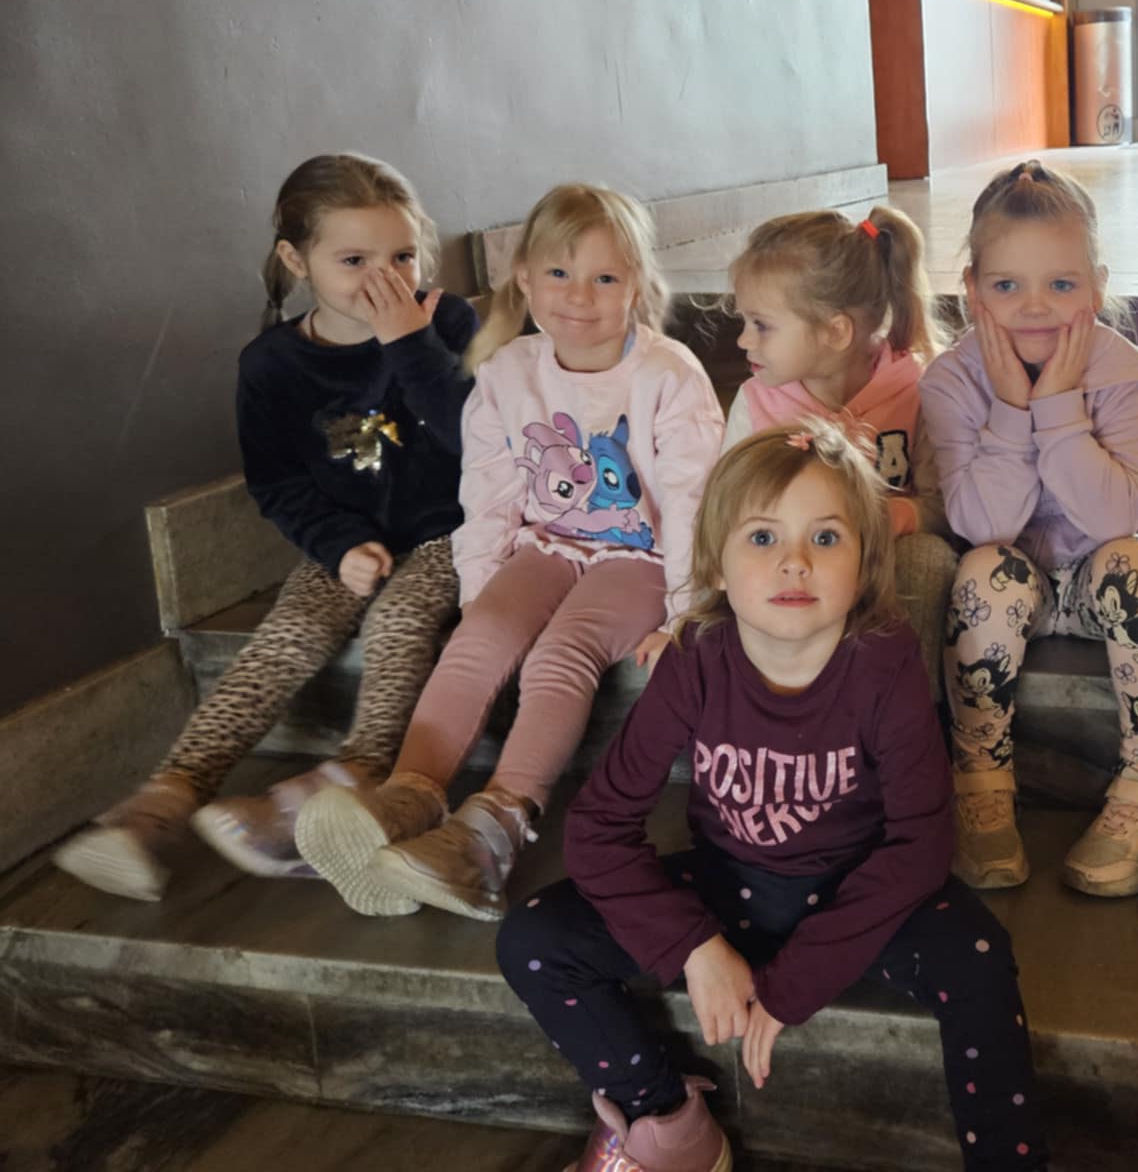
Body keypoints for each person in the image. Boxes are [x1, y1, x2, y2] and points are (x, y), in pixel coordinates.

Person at [498, 424, 1045, 1172]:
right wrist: (693, 944)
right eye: (762, 537)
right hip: (727, 889)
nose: (794, 561)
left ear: (865, 563)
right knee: (533, 939)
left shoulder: (883, 660)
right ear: (718, 565)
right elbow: (598, 827)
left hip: (856, 896)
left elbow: (921, 844)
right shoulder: (695, 657)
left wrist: (797, 982)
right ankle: (664, 1119)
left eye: (825, 537)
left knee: (979, 955)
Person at [295, 183, 725, 919]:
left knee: (561, 653)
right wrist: (480, 591)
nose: (578, 297)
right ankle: (407, 799)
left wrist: (687, 611)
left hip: (643, 559)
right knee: (482, 637)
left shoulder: (669, 375)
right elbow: (489, 490)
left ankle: (491, 833)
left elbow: (694, 501)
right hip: (545, 546)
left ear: (637, 285)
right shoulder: (508, 372)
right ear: (523, 278)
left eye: (604, 277)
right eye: (558, 273)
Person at [53, 155, 474, 901]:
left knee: (401, 622)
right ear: (297, 260)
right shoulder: (271, 365)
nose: (384, 279)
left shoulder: (444, 323)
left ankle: (356, 776)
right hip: (346, 541)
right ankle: (163, 801)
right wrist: (337, 546)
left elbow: (477, 440)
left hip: (452, 532)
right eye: (354, 260)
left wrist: (410, 343)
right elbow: (278, 485)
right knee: (290, 632)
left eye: (402, 257)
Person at [920, 159, 1138, 898]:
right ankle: (979, 778)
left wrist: (1059, 407)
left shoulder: (1122, 371)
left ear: (1096, 287)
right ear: (972, 290)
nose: (1034, 308)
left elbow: (1119, 518)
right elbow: (982, 525)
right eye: (1007, 286)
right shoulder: (952, 381)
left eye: (1061, 286)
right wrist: (1011, 409)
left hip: (1101, 575)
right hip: (1016, 585)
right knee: (982, 570)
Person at [723, 206, 958, 690]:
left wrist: (897, 517)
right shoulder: (756, 403)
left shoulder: (920, 389)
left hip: (884, 564)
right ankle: (790, 708)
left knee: (928, 560)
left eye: (762, 324)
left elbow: (948, 506)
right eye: (744, 321)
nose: (743, 340)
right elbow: (726, 515)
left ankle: (910, 717)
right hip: (793, 570)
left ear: (835, 332)